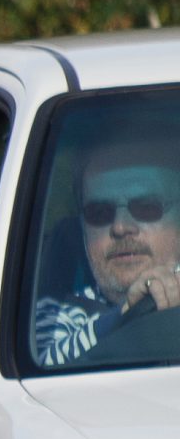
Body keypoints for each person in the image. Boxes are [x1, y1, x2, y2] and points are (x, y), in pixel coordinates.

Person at [32, 136, 180, 366]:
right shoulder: (57, 315)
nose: (120, 227)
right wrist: (127, 315)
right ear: (83, 227)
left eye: (146, 207)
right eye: (100, 213)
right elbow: (41, 370)